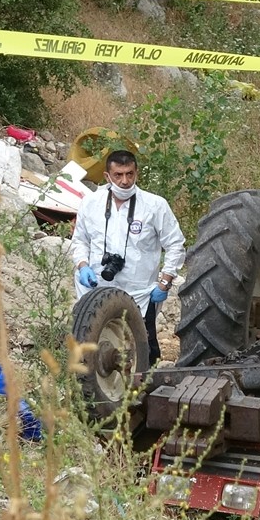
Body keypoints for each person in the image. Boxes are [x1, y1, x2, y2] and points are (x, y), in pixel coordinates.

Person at [70, 150, 185, 365]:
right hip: (97, 290)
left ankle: (143, 390)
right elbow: (80, 240)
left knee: (141, 351)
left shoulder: (154, 205)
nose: (125, 181)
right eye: (118, 175)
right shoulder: (91, 203)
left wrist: (165, 281)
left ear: (136, 173)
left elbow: (176, 244)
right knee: (93, 348)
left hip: (140, 293)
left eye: (130, 174)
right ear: (107, 177)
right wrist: (82, 265)